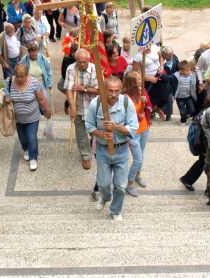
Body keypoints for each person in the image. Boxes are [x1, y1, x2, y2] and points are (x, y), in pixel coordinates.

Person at [86, 76, 139, 220]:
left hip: (121, 150)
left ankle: (115, 211)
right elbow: (89, 127)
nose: (113, 94)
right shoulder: (95, 104)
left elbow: (133, 128)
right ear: (104, 89)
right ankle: (105, 197)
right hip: (103, 150)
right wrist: (101, 134)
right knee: (103, 184)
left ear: (121, 90)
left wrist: (115, 128)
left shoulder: (127, 103)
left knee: (120, 186)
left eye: (117, 91)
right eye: (110, 91)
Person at [4, 64, 52, 171]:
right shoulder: (9, 82)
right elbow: (4, 92)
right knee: (22, 138)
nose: (19, 79)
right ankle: (25, 149)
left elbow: (42, 99)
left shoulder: (34, 83)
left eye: (22, 76)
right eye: (17, 76)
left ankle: (33, 158)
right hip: (17, 118)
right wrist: (6, 97)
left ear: (27, 75)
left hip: (32, 117)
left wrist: (47, 110)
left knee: (31, 137)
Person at [64, 48, 100, 169]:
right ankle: (85, 156)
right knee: (81, 134)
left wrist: (83, 88)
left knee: (95, 131)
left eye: (84, 62)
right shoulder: (71, 68)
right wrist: (72, 106)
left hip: (93, 107)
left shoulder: (96, 69)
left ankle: (94, 145)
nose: (82, 64)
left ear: (89, 60)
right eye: (79, 62)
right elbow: (68, 89)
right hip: (78, 105)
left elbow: (100, 90)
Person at [180, 92, 210, 192]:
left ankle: (187, 179)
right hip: (206, 145)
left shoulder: (203, 112)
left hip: (201, 143)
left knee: (203, 162)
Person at [122, 71, 152, 197]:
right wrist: (136, 116)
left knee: (141, 154)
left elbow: (149, 107)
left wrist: (147, 105)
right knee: (138, 159)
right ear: (132, 83)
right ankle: (129, 183)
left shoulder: (142, 91)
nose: (141, 81)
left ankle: (137, 175)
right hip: (133, 133)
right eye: (139, 79)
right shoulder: (124, 98)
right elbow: (123, 118)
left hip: (144, 128)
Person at [133, 43, 168, 119]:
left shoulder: (155, 47)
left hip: (159, 75)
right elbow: (134, 72)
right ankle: (146, 119)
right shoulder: (137, 54)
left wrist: (161, 67)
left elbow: (161, 58)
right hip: (147, 80)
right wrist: (148, 78)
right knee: (150, 101)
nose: (149, 46)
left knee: (165, 97)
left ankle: (157, 108)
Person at [59, 43, 78, 114]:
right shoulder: (67, 59)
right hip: (66, 81)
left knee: (74, 95)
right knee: (71, 95)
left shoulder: (79, 60)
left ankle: (69, 106)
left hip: (76, 82)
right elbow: (63, 73)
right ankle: (67, 106)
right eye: (73, 52)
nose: (75, 54)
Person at [161, 45, 179, 121]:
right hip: (164, 83)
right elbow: (163, 76)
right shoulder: (161, 60)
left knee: (171, 98)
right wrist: (172, 77)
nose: (170, 57)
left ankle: (168, 114)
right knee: (167, 98)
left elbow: (178, 68)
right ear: (164, 55)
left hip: (173, 83)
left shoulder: (175, 57)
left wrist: (175, 76)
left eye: (171, 55)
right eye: (168, 56)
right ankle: (167, 113)